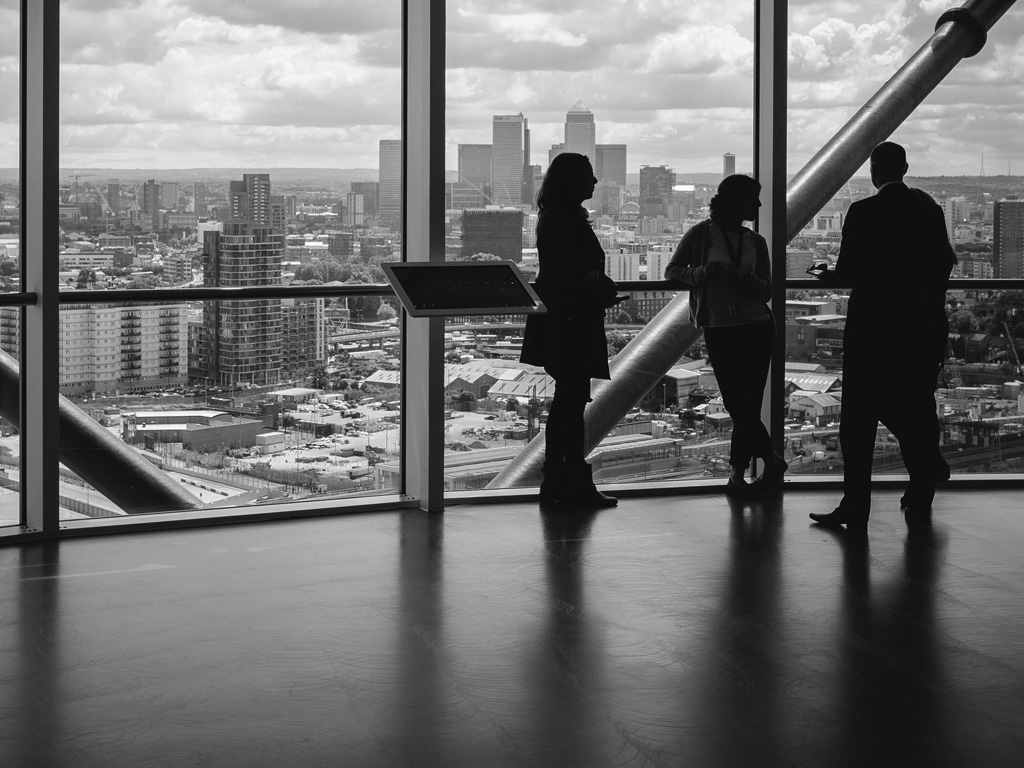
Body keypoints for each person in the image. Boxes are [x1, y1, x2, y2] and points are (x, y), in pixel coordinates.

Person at [809, 142, 956, 532]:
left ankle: (856, 507)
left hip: (873, 328)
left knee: (859, 420)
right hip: (920, 327)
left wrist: (828, 277)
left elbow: (850, 271)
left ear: (874, 172)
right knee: (916, 404)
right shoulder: (930, 212)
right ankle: (922, 484)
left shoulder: (863, 211)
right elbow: (943, 264)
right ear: (905, 168)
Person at [664, 174, 787, 497]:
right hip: (725, 326)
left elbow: (765, 290)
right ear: (735, 201)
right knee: (739, 403)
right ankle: (770, 459)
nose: (759, 205)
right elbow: (673, 271)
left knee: (744, 404)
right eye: (753, 198)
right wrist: (702, 273)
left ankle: (736, 475)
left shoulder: (755, 242)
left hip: (755, 326)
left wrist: (737, 276)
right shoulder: (701, 235)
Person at [520, 153, 622, 507]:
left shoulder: (554, 216)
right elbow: (572, 273)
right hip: (571, 320)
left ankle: (559, 482)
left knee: (568, 402)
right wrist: (599, 289)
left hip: (561, 318)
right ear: (572, 181)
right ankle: (572, 483)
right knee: (571, 402)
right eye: (589, 176)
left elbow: (564, 272)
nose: (594, 183)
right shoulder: (566, 219)